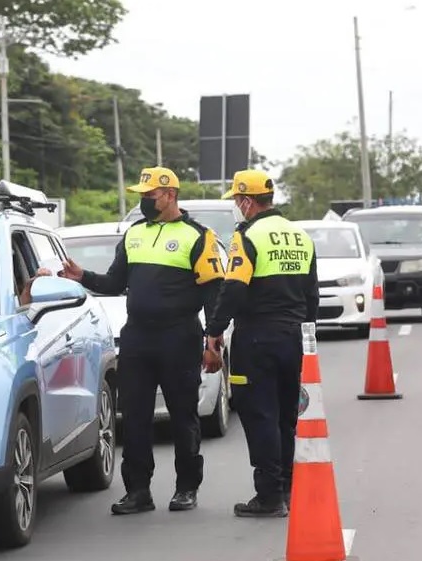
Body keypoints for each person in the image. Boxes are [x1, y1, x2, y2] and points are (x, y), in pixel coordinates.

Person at [60, 166, 226, 515]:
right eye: (141, 197)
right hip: (137, 336)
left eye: (149, 197)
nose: (144, 203)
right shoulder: (134, 234)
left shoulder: (198, 235)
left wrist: (214, 340)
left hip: (179, 336)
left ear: (170, 195)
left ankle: (186, 488)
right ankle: (138, 491)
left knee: (183, 416)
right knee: (134, 416)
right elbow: (114, 282)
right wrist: (82, 276)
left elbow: (213, 292)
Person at [204, 169, 318, 518]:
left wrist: (214, 331)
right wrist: (309, 340)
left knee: (259, 414)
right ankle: (287, 485)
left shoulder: (247, 236)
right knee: (287, 414)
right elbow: (311, 294)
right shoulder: (300, 236)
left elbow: (234, 287)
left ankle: (269, 495)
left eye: (237, 202)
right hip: (295, 337)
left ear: (246, 201)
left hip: (258, 338)